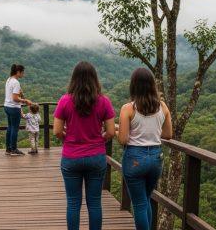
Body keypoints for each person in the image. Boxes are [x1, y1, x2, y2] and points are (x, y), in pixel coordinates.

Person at [53, 61, 116, 230]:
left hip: (71, 157)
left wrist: (69, 138)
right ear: (95, 79)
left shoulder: (65, 101)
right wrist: (98, 140)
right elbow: (111, 132)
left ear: (74, 79)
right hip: (96, 157)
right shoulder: (104, 101)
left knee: (73, 203)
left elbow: (57, 131)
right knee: (94, 203)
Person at [116, 68, 173, 230]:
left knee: (139, 203)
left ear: (133, 86)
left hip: (135, 158)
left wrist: (119, 130)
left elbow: (123, 139)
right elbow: (168, 134)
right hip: (156, 158)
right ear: (152, 85)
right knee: (146, 199)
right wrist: (151, 132)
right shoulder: (163, 107)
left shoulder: (128, 108)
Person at [4, 64, 31, 156]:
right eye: (22, 72)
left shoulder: (9, 80)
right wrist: (25, 101)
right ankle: (14, 149)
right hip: (14, 107)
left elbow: (16, 92)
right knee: (14, 129)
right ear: (18, 72)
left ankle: (8, 149)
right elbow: (15, 98)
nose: (23, 74)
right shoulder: (16, 82)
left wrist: (21, 92)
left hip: (7, 106)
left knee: (10, 127)